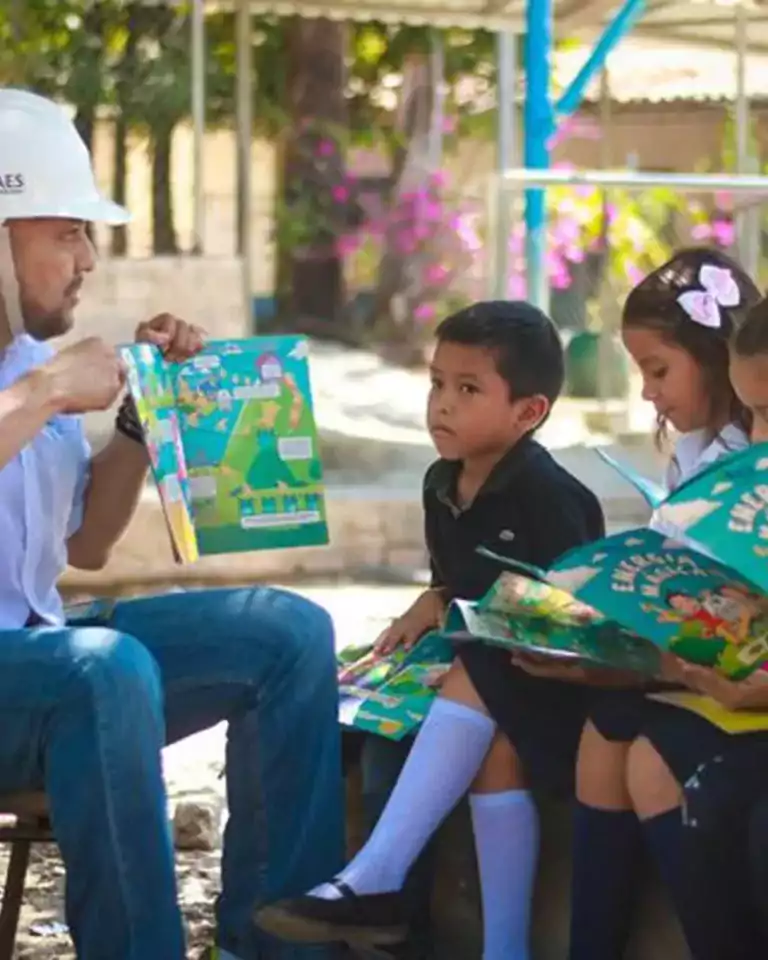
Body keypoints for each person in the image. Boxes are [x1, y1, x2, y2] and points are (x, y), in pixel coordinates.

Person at [0, 88, 343, 960]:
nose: (87, 260)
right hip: (54, 674)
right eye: (65, 232)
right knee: (102, 670)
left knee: (290, 632)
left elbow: (85, 547)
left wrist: (138, 421)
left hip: (40, 657)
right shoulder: (38, 382)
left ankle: (276, 944)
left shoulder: (38, 364)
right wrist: (42, 398)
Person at [255, 299, 607, 959]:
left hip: (553, 687)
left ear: (528, 412)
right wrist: (435, 597)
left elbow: (572, 617)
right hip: (483, 689)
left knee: (477, 683)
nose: (442, 404)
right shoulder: (440, 484)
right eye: (437, 383)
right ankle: (477, 943)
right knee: (398, 739)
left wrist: (462, 612)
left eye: (468, 389)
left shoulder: (551, 496)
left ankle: (375, 881)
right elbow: (463, 585)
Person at [567, 248, 762, 960]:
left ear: (715, 357)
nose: (648, 393)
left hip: (737, 690)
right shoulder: (694, 450)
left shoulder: (746, 451)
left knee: (646, 754)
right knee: (604, 735)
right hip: (704, 670)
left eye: (658, 371)